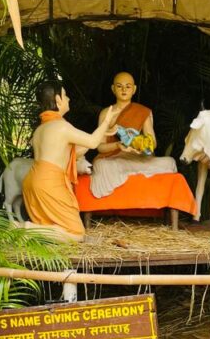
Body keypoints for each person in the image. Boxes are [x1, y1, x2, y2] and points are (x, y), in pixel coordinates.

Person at [22, 79, 122, 240]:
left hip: (34, 180)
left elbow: (74, 153)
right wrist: (106, 122)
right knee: (75, 234)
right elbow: (92, 142)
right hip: (49, 182)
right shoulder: (61, 127)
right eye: (65, 95)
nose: (68, 99)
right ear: (58, 99)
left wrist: (103, 132)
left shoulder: (41, 129)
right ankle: (26, 228)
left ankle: (31, 230)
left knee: (54, 228)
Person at [96, 71, 156, 159]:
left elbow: (153, 143)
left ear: (134, 89)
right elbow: (100, 147)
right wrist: (117, 145)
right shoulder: (106, 113)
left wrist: (139, 143)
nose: (124, 90)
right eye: (119, 86)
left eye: (128, 86)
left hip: (135, 157)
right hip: (112, 159)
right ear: (113, 89)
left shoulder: (142, 111)